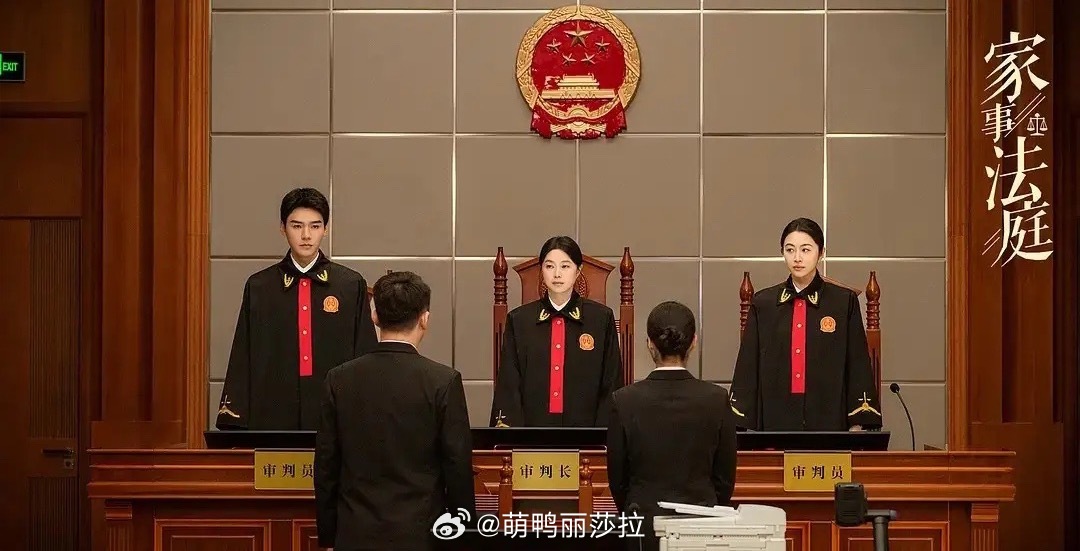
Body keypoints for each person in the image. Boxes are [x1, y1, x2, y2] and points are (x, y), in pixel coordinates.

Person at [314, 271, 475, 551]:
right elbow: (457, 469)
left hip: (355, 535)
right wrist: (465, 536)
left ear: (375, 316)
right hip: (422, 536)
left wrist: (328, 537)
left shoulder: (339, 379)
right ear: (425, 319)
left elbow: (326, 467)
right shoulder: (443, 381)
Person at [215, 187, 378, 431]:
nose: (306, 235)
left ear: (326, 229)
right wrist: (234, 419)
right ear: (283, 228)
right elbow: (242, 353)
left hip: (336, 413)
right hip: (271, 411)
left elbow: (365, 355)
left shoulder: (350, 284)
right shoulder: (260, 286)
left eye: (315, 226)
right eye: (296, 226)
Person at [729, 217, 881, 432]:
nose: (797, 258)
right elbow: (747, 366)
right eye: (790, 250)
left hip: (830, 421)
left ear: (821, 252)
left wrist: (857, 422)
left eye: (806, 250)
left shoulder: (843, 302)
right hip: (775, 419)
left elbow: (857, 363)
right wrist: (740, 424)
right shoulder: (764, 303)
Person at [607, 301, 737, 551]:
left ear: (649, 344)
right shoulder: (716, 399)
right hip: (701, 527)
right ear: (694, 342)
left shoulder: (624, 401)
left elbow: (618, 481)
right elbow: (724, 481)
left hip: (642, 528)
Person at [489, 235, 623, 427]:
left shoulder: (601, 319)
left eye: (565, 266)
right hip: (531, 434)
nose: (557, 274)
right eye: (550, 266)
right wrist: (515, 438)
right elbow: (508, 387)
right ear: (541, 270)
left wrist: (602, 436)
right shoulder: (519, 321)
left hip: (587, 435)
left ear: (578, 271)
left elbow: (611, 383)